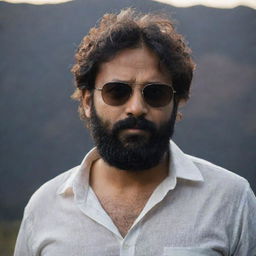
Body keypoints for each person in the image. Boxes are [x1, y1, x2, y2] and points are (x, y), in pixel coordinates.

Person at [14, 8, 256, 256]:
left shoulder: (231, 200)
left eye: (155, 93)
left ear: (177, 102)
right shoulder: (43, 208)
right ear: (87, 102)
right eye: (117, 91)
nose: (137, 108)